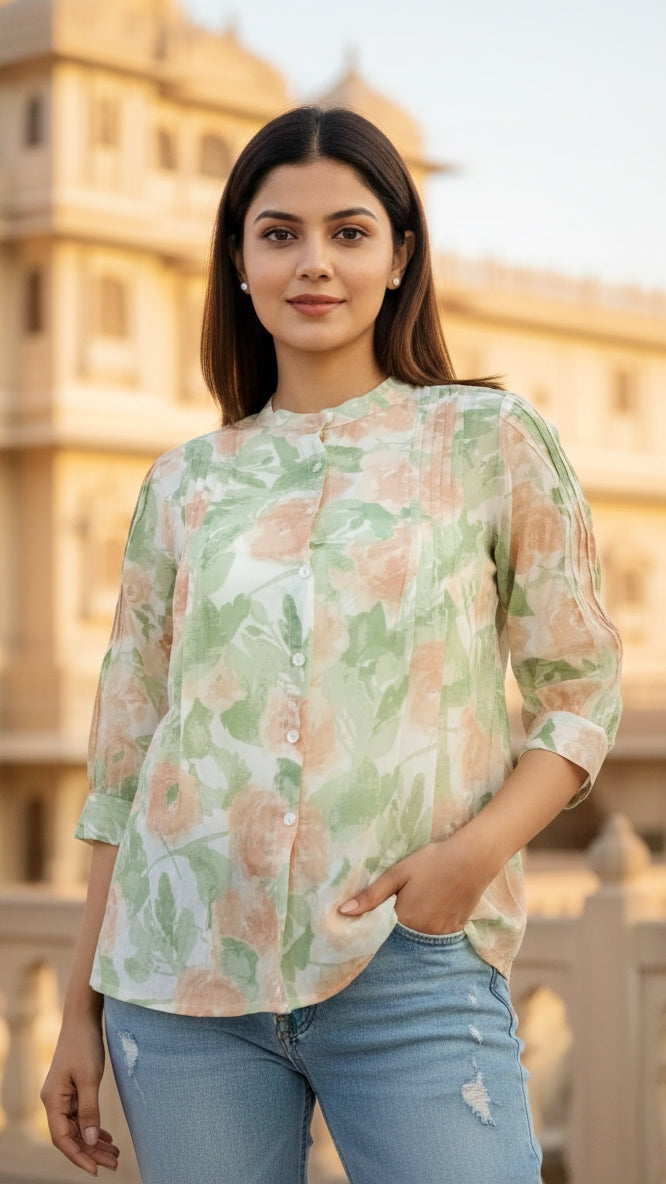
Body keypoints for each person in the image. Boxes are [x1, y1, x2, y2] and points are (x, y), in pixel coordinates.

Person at [41, 105, 622, 1184]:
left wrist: (468, 860)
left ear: (401, 256)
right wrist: (76, 1008)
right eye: (280, 233)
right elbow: (124, 763)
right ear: (240, 259)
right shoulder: (183, 483)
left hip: (409, 969)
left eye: (350, 232)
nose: (315, 262)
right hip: (178, 988)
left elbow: (580, 694)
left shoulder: (485, 440)